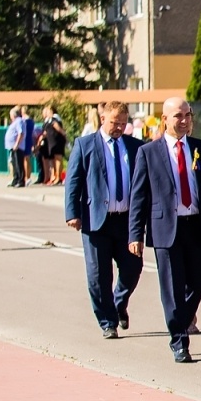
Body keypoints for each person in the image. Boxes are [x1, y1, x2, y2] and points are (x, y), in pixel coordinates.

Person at [129, 97, 201, 363]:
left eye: (187, 115)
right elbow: (139, 197)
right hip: (166, 229)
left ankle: (180, 320)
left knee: (198, 281)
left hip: (197, 226)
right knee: (172, 288)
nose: (184, 121)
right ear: (165, 119)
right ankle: (179, 341)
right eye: (178, 116)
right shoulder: (149, 152)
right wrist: (135, 234)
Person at [64, 101, 145, 338]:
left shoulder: (136, 147)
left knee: (133, 268)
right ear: (102, 119)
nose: (119, 127)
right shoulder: (85, 145)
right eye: (114, 123)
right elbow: (73, 181)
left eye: (123, 123)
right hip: (96, 221)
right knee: (98, 276)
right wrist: (72, 213)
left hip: (127, 221)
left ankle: (118, 303)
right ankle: (108, 322)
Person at [4, 107, 33, 187]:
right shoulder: (15, 122)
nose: (10, 116)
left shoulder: (19, 121)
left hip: (17, 147)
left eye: (11, 115)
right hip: (13, 147)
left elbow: (21, 133)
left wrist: (17, 143)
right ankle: (16, 179)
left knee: (19, 164)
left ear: (14, 115)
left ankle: (21, 181)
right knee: (14, 164)